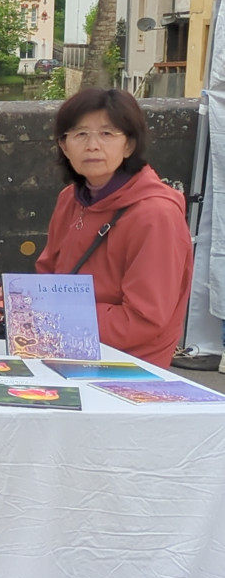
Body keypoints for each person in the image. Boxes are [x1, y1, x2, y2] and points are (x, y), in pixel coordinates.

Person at [35, 88, 193, 368]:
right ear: (64, 146)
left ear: (129, 145)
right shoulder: (71, 198)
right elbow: (48, 273)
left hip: (127, 364)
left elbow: (145, 319)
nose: (92, 145)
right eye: (80, 134)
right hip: (64, 344)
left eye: (107, 134)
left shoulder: (155, 215)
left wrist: (58, 319)